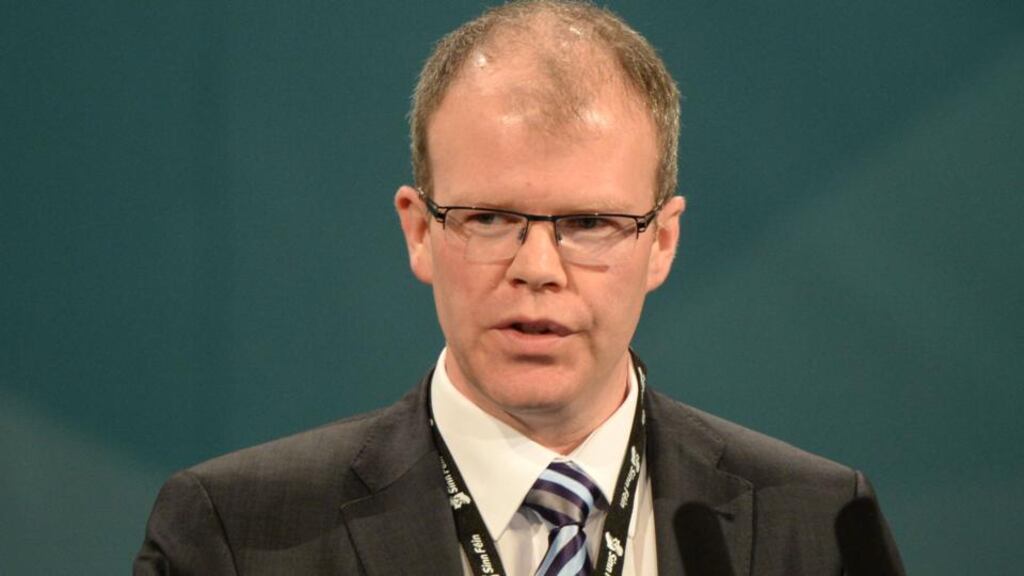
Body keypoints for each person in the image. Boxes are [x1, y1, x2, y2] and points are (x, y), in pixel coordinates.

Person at [134, 1, 904, 574]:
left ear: (662, 241)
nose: (537, 267)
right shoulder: (236, 535)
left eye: (592, 223)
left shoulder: (817, 526)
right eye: (492, 217)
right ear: (419, 230)